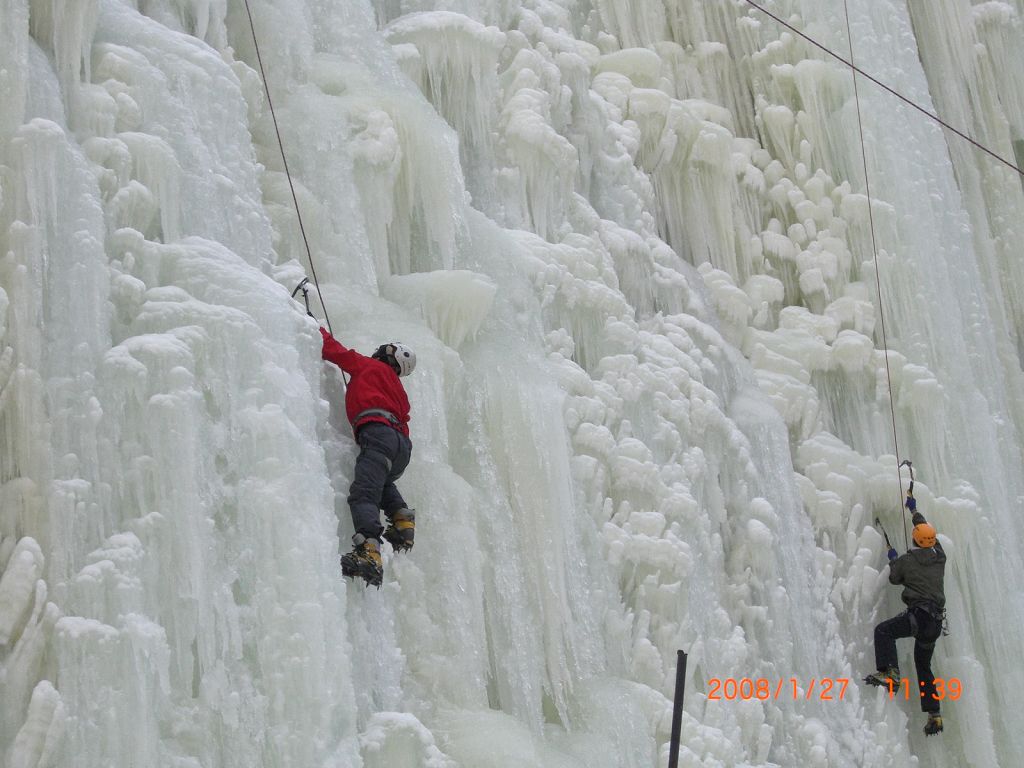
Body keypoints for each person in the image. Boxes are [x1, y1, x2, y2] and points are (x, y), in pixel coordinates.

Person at [320, 327, 417, 586]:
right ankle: (402, 520)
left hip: (378, 434)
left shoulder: (370, 367)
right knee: (382, 480)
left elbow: (336, 352)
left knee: (364, 493)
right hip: (401, 447)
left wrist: (313, 327)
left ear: (387, 355)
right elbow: (404, 419)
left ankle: (369, 551)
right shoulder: (399, 391)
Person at [865, 487, 947, 736]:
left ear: (914, 540)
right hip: (934, 623)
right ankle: (935, 715)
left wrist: (892, 558)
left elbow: (895, 578)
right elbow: (928, 532)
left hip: (919, 617)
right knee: (923, 665)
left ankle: (890, 673)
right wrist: (913, 508)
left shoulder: (907, 561)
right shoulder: (940, 556)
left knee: (884, 631)